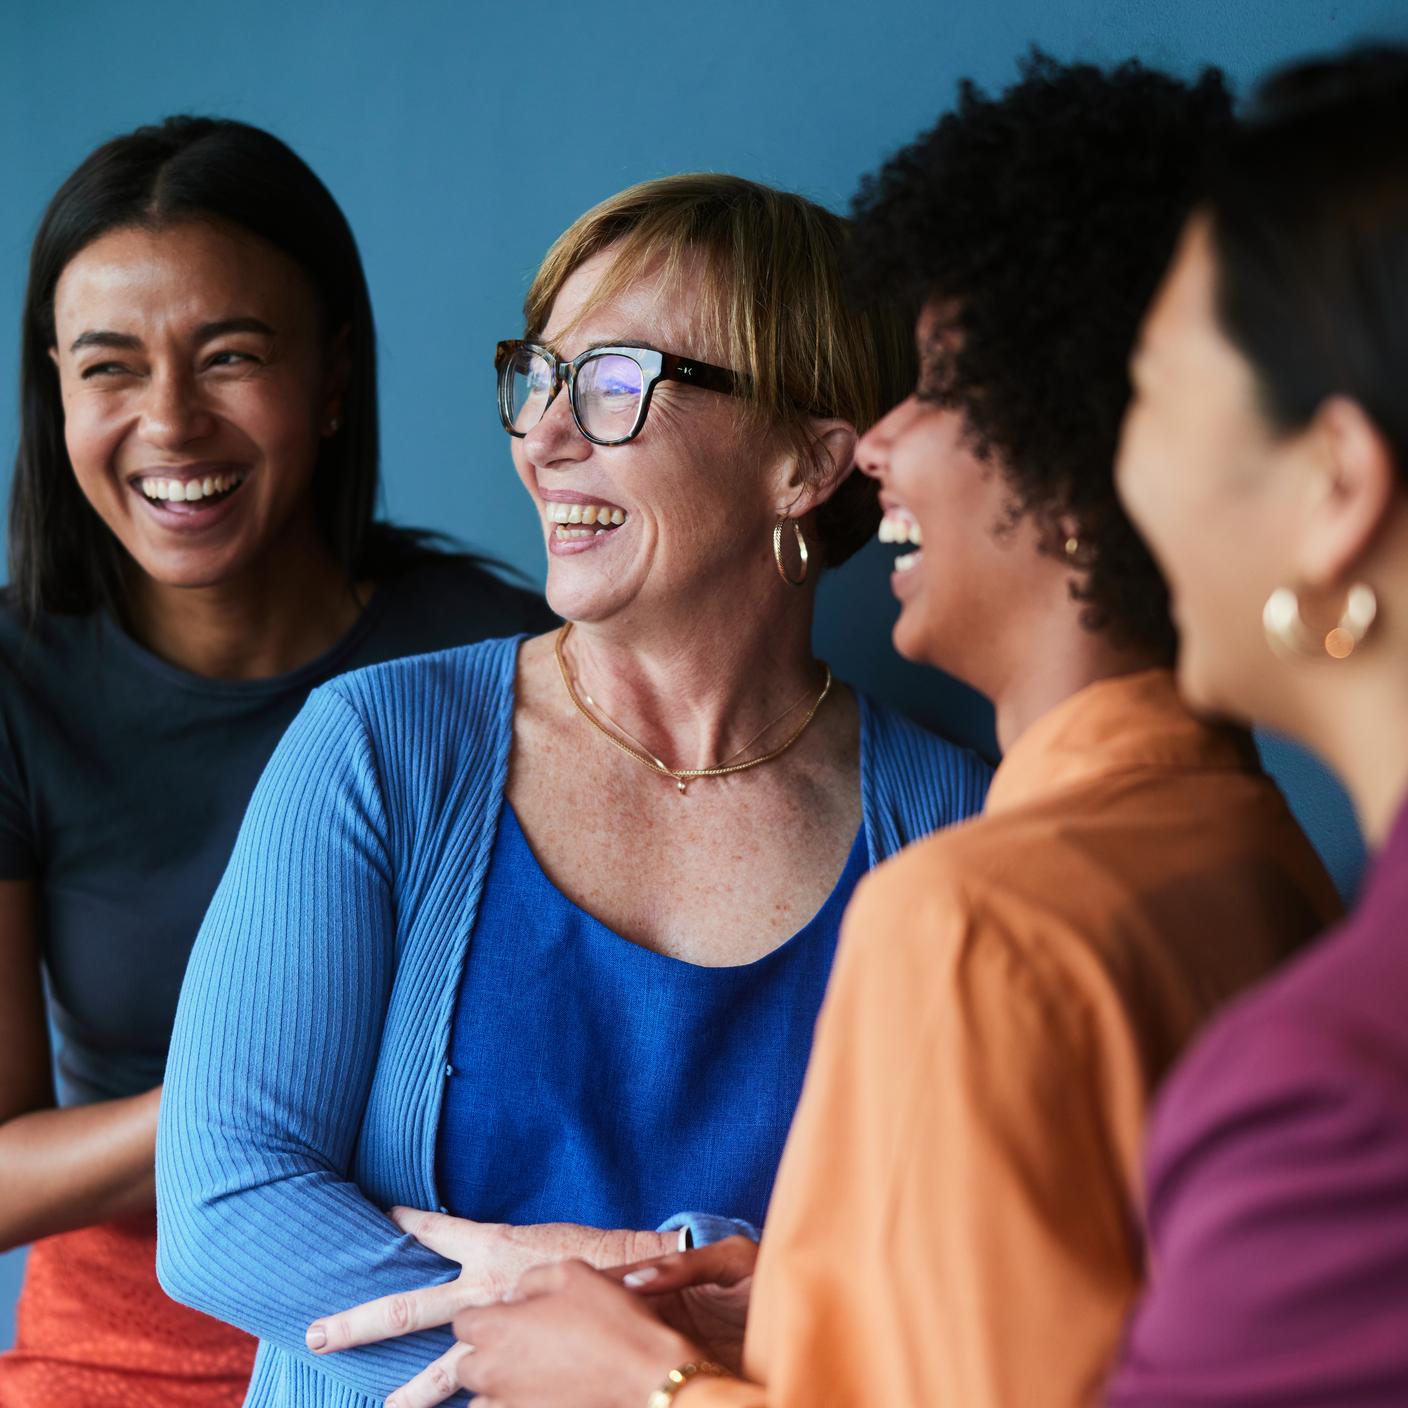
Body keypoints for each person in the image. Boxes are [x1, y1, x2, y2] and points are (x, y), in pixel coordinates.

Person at [433, 55, 1344, 1408]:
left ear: (1089, 445)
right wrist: (804, 1304)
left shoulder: (972, 916)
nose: (882, 442)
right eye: (544, 374)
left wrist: (647, 1385)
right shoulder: (1262, 846)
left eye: (944, 387)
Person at [155, 172, 991, 1408]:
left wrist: (631, 1327)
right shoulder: (382, 748)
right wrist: (581, 1330)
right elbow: (225, 1207)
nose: (540, 435)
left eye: (614, 383)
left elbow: (973, 1294)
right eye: (537, 376)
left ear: (807, 462)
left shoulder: (956, 827)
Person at [0, 116, 553, 1407]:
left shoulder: (494, 654)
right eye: (109, 368)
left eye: (230, 356)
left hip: (437, 1320)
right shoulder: (15, 684)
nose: (169, 424)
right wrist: (246, 1110)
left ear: (333, 379)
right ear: (56, 392)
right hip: (118, 1347)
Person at [1106, 46, 1408, 1407]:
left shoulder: (1336, 1096)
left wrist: (664, 1393)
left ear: (1337, 483)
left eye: (1151, 392)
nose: (1120, 467)